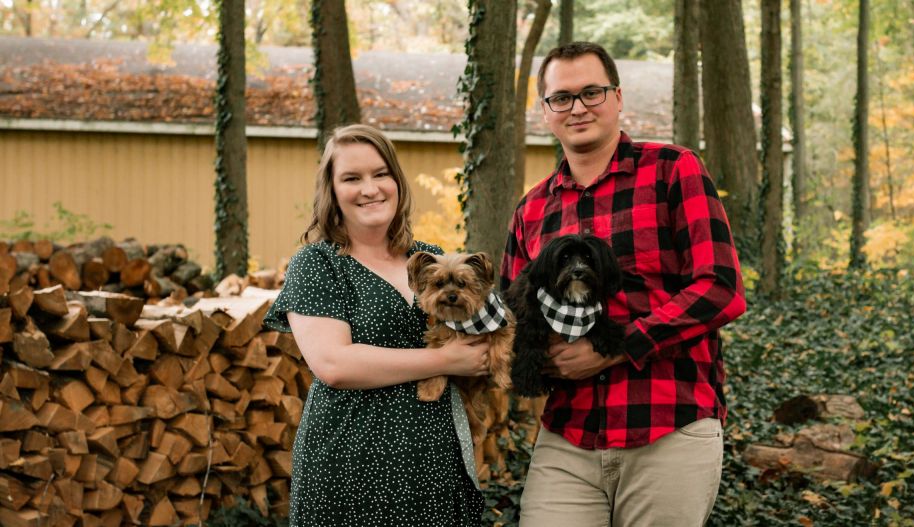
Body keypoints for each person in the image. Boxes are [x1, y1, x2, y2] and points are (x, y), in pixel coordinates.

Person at [500, 42, 747, 526]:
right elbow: (515, 314)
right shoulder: (531, 210)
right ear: (546, 111)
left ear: (617, 97)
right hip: (568, 435)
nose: (578, 108)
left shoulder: (674, 170)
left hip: (667, 424)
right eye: (561, 97)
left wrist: (617, 347)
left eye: (591, 92)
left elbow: (720, 287)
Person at [264, 124, 486, 526]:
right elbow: (334, 365)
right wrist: (447, 360)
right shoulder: (318, 264)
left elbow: (481, 330)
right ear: (332, 192)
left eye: (381, 174)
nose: (370, 189)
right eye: (352, 178)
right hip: (349, 469)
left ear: (397, 181)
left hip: (433, 469)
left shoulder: (430, 259)